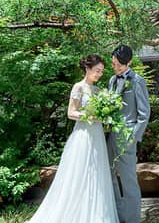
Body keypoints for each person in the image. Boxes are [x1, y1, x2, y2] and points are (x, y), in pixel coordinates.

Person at [29, 54, 118, 223]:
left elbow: (101, 112)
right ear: (88, 68)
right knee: (79, 172)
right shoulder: (78, 87)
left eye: (101, 71)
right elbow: (71, 113)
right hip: (83, 136)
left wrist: (104, 117)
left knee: (97, 173)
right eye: (97, 70)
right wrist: (88, 117)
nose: (99, 74)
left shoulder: (99, 91)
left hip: (97, 135)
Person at [107, 45, 150, 223]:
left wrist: (133, 138)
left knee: (129, 181)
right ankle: (119, 216)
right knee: (109, 178)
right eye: (113, 63)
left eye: (118, 65)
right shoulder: (111, 80)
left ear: (129, 62)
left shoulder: (137, 81)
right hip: (110, 138)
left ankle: (132, 220)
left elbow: (144, 113)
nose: (115, 67)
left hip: (127, 138)